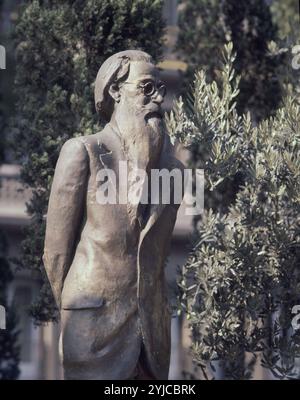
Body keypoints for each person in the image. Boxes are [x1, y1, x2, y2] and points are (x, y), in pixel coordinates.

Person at [43, 50, 184, 380]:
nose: (158, 99)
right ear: (115, 90)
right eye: (147, 88)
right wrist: (78, 310)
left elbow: (155, 255)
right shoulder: (84, 152)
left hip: (151, 338)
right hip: (92, 331)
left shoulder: (174, 171)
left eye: (161, 89)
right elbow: (56, 253)